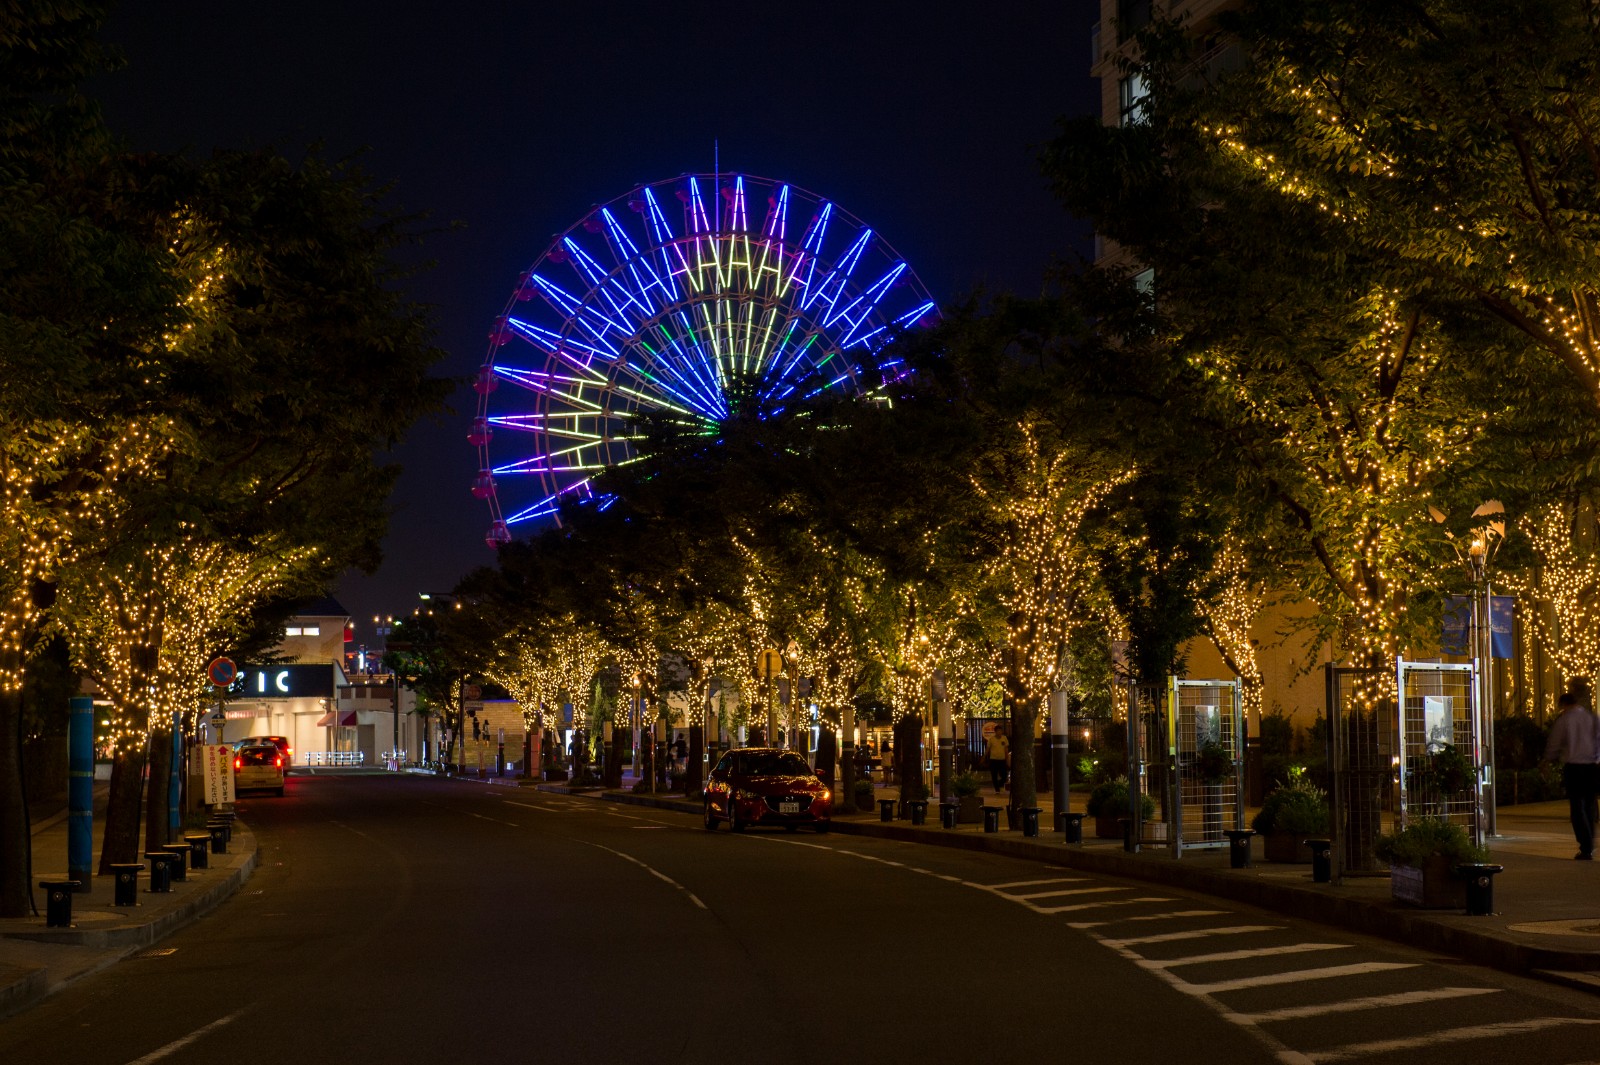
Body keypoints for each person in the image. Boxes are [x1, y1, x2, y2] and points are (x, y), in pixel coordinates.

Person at [1543, 688, 1600, 860]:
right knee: (1590, 805)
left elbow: (1554, 743)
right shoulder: (1591, 718)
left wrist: (1547, 760)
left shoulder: (1565, 720)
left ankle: (1585, 846)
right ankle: (1590, 842)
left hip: (1574, 767)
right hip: (1592, 766)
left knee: (1577, 807)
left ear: (1564, 705)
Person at [985, 726, 1010, 794]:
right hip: (993, 760)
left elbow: (1006, 750)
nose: (1000, 732)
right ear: (995, 732)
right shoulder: (991, 739)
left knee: (1004, 776)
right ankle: (997, 789)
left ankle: (998, 784)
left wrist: (1007, 760)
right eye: (998, 731)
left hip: (1002, 760)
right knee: (994, 775)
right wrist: (984, 757)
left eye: (1000, 730)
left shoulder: (1004, 738)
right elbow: (988, 749)